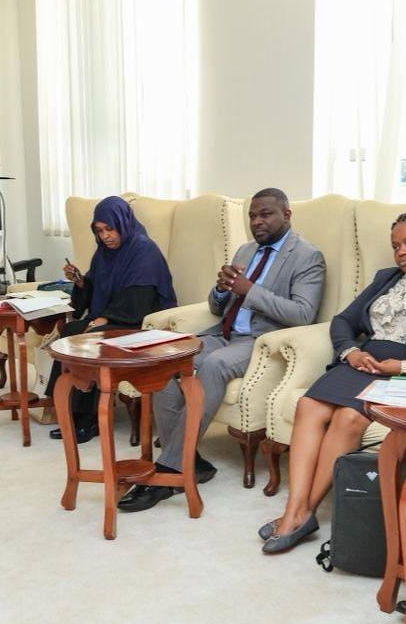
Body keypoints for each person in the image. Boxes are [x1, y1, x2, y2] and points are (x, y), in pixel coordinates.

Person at [259, 210, 406, 553]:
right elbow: (343, 320)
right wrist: (349, 350)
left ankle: (302, 514)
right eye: (396, 246)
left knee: (348, 417)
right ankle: (296, 510)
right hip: (363, 362)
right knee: (308, 404)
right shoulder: (385, 278)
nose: (401, 252)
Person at [118, 187, 327, 513]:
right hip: (223, 332)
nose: (257, 221)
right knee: (165, 359)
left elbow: (303, 314)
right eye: (253, 215)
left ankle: (169, 469)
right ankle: (192, 461)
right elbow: (219, 307)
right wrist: (219, 289)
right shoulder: (245, 251)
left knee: (214, 365)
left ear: (287, 214)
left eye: (266, 214)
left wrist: (251, 291)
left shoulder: (307, 256)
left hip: (260, 342)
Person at [45, 196, 177, 443]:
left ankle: (89, 419)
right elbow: (96, 288)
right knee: (70, 333)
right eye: (100, 230)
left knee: (88, 340)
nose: (105, 236)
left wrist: (103, 319)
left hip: (139, 322)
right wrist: (81, 282)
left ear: (123, 223)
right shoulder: (104, 253)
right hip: (113, 317)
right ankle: (69, 410)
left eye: (110, 229)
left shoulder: (144, 249)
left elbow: (140, 300)